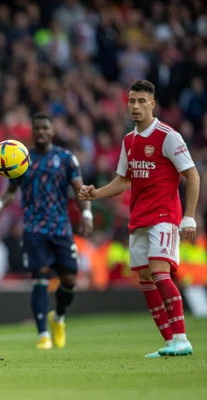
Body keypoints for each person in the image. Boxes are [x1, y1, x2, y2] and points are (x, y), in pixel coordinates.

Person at [79, 80, 199, 358]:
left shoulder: (168, 136)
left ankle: (182, 337)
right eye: (132, 101)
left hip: (164, 216)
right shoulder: (129, 141)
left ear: (152, 104)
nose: (135, 106)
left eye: (141, 101)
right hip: (139, 218)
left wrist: (189, 217)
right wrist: (95, 194)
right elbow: (123, 180)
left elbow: (192, 175)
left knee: (159, 272)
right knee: (145, 278)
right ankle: (170, 341)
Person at [0, 113, 93, 350]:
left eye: (45, 128)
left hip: (61, 227)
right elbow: (11, 189)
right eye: (36, 128)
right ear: (32, 131)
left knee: (69, 279)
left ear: (52, 130)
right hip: (34, 228)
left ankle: (58, 318)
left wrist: (86, 214)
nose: (41, 132)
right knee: (40, 278)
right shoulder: (22, 158)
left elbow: (79, 190)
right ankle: (43, 335)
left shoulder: (66, 158)